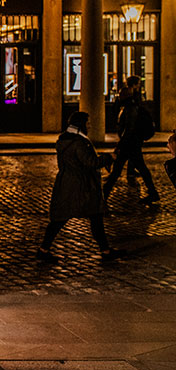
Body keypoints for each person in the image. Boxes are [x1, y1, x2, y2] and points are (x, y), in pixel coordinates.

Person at [37, 111, 126, 264]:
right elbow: (90, 162)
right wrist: (109, 157)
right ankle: (105, 251)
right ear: (80, 124)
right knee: (92, 216)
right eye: (87, 123)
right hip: (82, 186)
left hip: (66, 184)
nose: (90, 125)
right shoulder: (79, 142)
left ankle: (44, 249)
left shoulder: (64, 140)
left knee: (64, 219)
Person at [102, 87, 160, 205]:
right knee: (139, 168)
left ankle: (104, 194)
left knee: (118, 170)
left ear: (124, 96)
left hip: (130, 143)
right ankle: (153, 193)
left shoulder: (130, 108)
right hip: (132, 143)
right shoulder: (131, 106)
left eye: (120, 95)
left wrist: (120, 144)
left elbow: (129, 128)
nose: (119, 97)